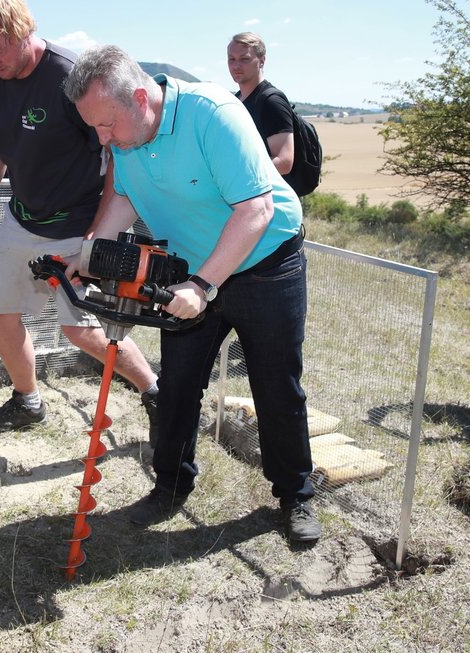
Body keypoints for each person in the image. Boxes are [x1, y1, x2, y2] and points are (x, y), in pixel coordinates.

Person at [63, 44, 321, 544]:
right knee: (178, 385)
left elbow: (256, 211)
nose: (102, 137)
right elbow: (124, 195)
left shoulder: (214, 116)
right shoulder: (124, 130)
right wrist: (90, 253)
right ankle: (171, 484)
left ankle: (295, 497)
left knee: (276, 385)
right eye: (94, 126)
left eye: (106, 125)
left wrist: (204, 286)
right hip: (188, 273)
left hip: (264, 263)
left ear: (140, 98)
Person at [0, 0, 160, 438]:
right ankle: (27, 401)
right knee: (0, 312)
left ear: (22, 31)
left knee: (82, 331)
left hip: (78, 225)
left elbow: (114, 154)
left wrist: (97, 235)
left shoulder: (71, 76)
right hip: (21, 219)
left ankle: (156, 392)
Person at [227, 33, 296, 182]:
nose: (236, 66)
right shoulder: (235, 100)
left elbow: (284, 161)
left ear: (262, 61)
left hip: (272, 199)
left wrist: (239, 179)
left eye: (244, 59)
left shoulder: (271, 101)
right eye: (232, 59)